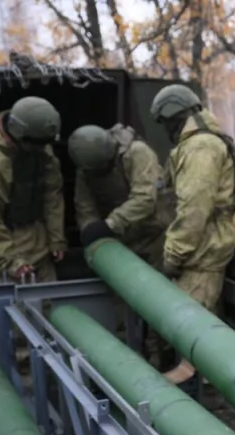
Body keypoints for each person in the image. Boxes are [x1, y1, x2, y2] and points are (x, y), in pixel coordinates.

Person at [148, 83, 235, 391]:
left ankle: (202, 389)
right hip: (202, 246)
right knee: (199, 320)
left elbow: (194, 207)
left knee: (192, 328)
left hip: (202, 248)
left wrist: (175, 254)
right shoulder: (199, 142)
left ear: (172, 115)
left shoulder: (200, 147)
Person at [69, 123, 170, 365]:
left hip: (153, 238)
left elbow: (145, 199)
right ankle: (132, 362)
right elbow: (84, 206)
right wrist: (90, 231)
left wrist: (110, 224)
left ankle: (162, 361)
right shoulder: (87, 169)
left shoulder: (137, 153)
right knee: (123, 307)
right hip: (119, 244)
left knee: (158, 301)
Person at [0, 96, 66, 283]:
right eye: (38, 143)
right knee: (16, 310)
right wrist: (10, 262)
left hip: (40, 244)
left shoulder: (39, 147)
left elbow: (52, 195)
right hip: (6, 249)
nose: (44, 148)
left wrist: (57, 239)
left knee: (50, 307)